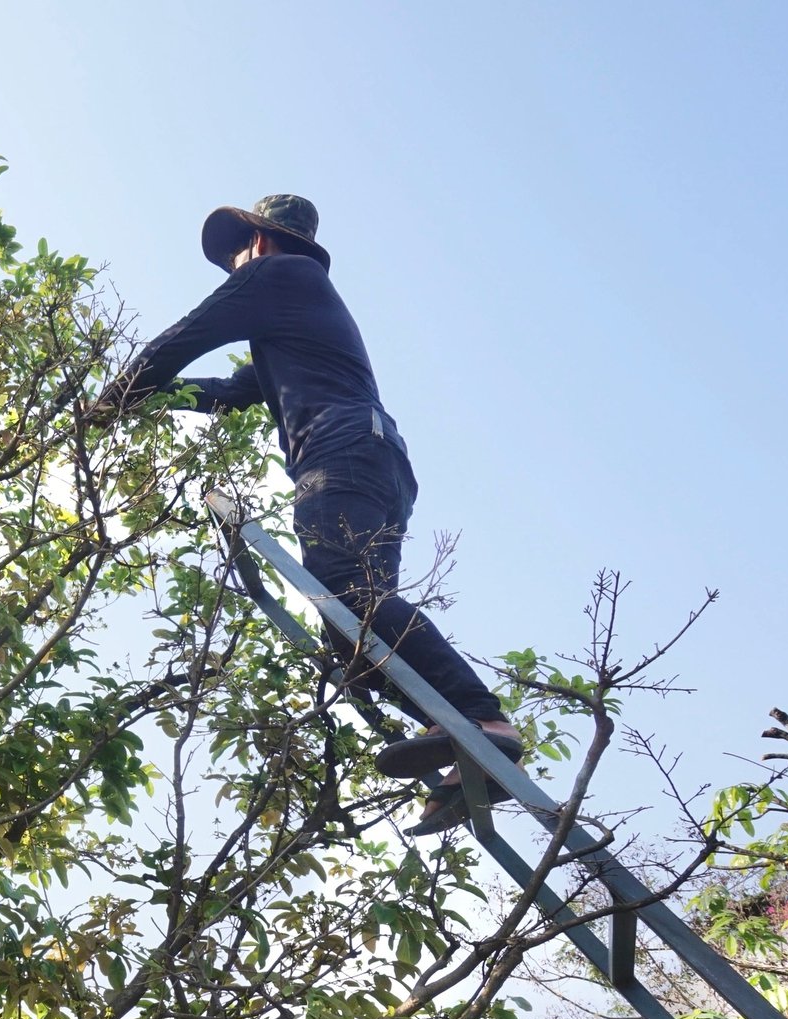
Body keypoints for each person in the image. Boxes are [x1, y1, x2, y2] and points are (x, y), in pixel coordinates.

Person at [93, 193, 519, 835]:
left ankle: (480, 717)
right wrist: (148, 402)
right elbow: (227, 394)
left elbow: (184, 338)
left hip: (342, 450)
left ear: (261, 242)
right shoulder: (293, 323)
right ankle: (459, 734)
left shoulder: (280, 274)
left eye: (237, 249)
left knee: (350, 598)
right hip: (375, 457)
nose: (234, 263)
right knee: (353, 638)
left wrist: (107, 402)